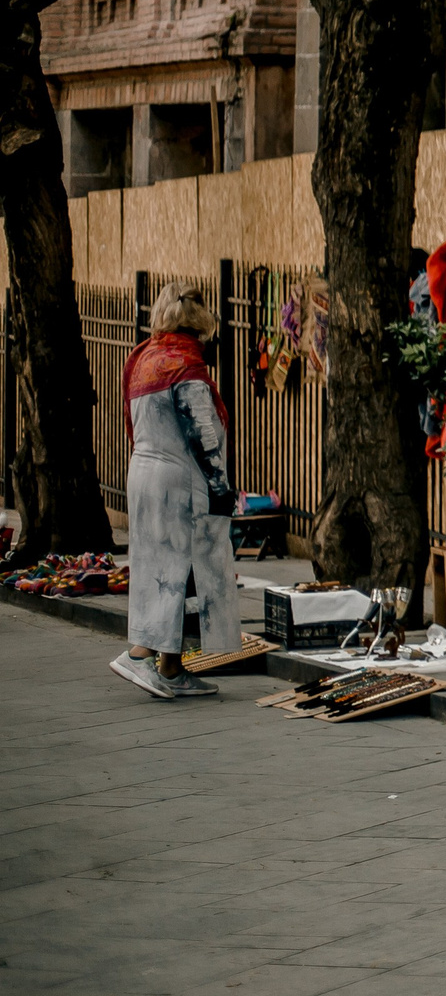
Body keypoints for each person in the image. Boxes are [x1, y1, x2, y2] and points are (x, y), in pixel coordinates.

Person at [111, 283, 238, 701]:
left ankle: (170, 667)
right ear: (197, 328)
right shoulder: (186, 367)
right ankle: (140, 653)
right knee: (178, 571)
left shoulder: (143, 358)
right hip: (177, 480)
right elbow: (203, 434)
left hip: (143, 472)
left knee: (155, 567)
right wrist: (220, 486)